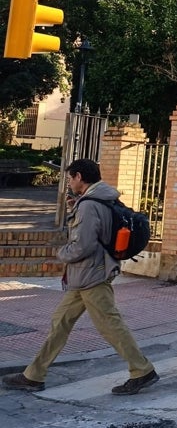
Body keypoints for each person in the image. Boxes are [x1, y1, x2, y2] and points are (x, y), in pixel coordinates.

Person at [1, 159, 159, 396]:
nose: (68, 182)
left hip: (92, 275)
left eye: (70, 178)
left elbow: (82, 246)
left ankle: (142, 370)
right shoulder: (101, 199)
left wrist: (60, 253)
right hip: (85, 276)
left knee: (110, 326)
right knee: (60, 323)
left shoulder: (89, 205)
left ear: (79, 177)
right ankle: (33, 376)